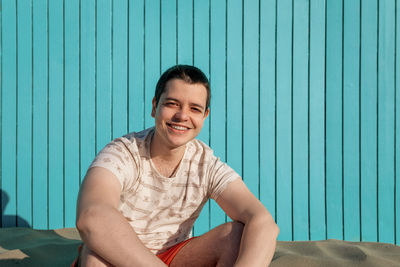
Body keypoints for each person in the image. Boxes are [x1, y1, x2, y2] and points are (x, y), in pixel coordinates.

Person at [74, 65, 279, 267]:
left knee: (235, 237)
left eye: (194, 108)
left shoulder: (205, 164)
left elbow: (262, 220)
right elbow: (92, 216)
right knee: (95, 258)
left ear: (204, 116)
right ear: (155, 106)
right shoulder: (123, 153)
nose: (182, 116)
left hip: (174, 256)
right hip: (120, 256)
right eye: (172, 104)